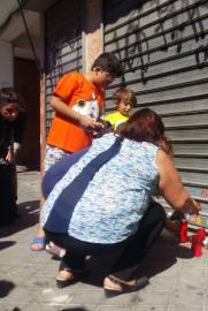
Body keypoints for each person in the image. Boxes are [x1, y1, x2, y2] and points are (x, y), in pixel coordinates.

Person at [40, 108, 200, 297]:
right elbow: (180, 202)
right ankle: (118, 278)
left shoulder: (102, 142)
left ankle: (69, 269)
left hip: (52, 229)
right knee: (156, 213)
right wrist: (194, 208)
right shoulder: (155, 154)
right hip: (94, 239)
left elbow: (53, 175)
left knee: (82, 209)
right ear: (158, 134)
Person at [30, 52, 123, 251]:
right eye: (108, 77)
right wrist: (80, 119)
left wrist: (101, 127)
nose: (109, 82)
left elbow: (91, 117)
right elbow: (55, 102)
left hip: (82, 150)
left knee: (69, 191)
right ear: (97, 69)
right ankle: (41, 230)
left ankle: (59, 233)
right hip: (60, 144)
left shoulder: (100, 93)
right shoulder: (74, 79)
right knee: (50, 186)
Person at [0, 88, 25, 226]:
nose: (13, 115)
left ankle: (10, 211)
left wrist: (13, 149)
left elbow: (19, 134)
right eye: (8, 111)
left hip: (5, 143)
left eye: (16, 110)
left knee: (8, 172)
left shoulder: (21, 114)